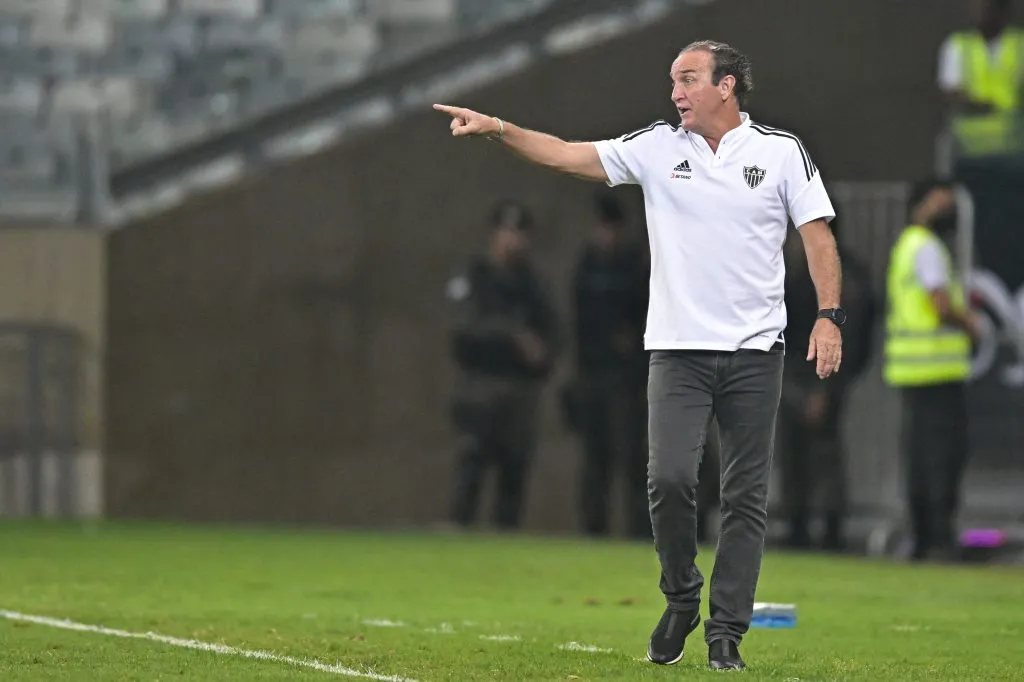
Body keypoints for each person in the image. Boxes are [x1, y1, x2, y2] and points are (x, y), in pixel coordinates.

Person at [434, 40, 844, 671]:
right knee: (670, 479)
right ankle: (682, 596)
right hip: (677, 352)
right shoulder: (658, 148)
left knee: (744, 496)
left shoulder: (780, 153)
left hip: (756, 353)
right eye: (672, 82)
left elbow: (817, 236)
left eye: (687, 80)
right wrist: (500, 130)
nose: (675, 92)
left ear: (727, 85)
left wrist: (828, 317)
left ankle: (725, 631)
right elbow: (570, 156)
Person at [445, 201, 559, 531]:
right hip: (480, 385)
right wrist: (512, 335)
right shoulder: (474, 275)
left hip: (519, 389)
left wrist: (541, 353)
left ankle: (504, 547)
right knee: (471, 466)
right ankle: (458, 535)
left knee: (514, 474)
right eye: (507, 231)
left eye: (520, 233)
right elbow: (463, 327)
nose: (514, 240)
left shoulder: (532, 283)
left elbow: (553, 333)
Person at [883, 179, 979, 562]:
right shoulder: (927, 248)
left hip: (912, 371)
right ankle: (939, 539)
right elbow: (940, 305)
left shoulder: (908, 245)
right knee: (942, 458)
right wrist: (971, 323)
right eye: (944, 204)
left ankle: (923, 538)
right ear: (922, 205)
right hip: (937, 371)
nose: (949, 213)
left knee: (921, 459)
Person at [777, 215, 878, 552]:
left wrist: (827, 388)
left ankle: (828, 531)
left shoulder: (841, 278)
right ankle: (799, 527)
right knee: (794, 456)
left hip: (821, 375)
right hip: (793, 373)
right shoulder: (795, 270)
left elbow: (852, 335)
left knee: (823, 457)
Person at [566, 190, 650, 539]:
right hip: (592, 375)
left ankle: (637, 531)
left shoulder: (635, 268)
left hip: (626, 379)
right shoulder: (586, 267)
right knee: (594, 460)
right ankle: (593, 530)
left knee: (632, 459)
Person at [938, 0, 1024, 156]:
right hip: (969, 145)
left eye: (987, 7)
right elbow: (950, 93)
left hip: (1014, 145)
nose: (981, 12)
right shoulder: (958, 45)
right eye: (977, 7)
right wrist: (978, 105)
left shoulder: (1020, 44)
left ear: (1002, 10)